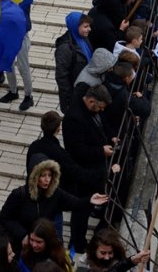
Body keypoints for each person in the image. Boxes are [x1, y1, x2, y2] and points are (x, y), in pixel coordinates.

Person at [0, 159, 106, 255]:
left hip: (41, 248)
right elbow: (4, 218)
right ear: (35, 177)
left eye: (49, 175)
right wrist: (23, 235)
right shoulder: (19, 194)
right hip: (19, 246)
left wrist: (89, 201)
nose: (47, 180)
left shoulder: (55, 193)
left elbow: (74, 203)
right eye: (43, 175)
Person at [61, 86, 116, 257]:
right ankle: (77, 242)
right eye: (100, 107)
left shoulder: (91, 110)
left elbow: (101, 125)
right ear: (91, 101)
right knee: (81, 210)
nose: (101, 110)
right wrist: (101, 151)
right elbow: (77, 150)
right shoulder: (73, 119)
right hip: (83, 174)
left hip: (94, 170)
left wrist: (111, 138)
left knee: (90, 204)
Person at [53, 12, 93, 113]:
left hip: (85, 90)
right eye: (85, 26)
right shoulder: (64, 48)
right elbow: (61, 77)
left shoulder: (83, 38)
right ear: (75, 27)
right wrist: (70, 99)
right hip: (74, 96)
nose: (89, 29)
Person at [81, 228, 150, 272]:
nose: (107, 257)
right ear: (94, 250)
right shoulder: (85, 263)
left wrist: (133, 260)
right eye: (103, 253)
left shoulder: (116, 259)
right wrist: (131, 261)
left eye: (110, 252)